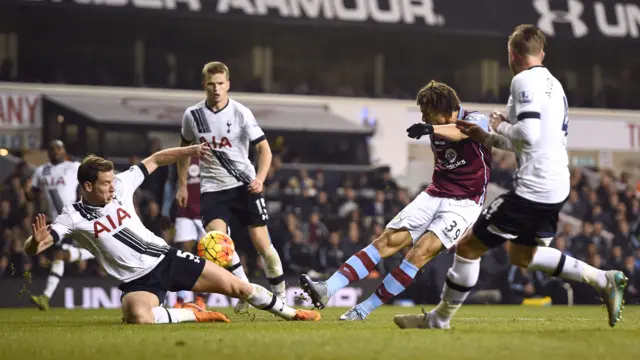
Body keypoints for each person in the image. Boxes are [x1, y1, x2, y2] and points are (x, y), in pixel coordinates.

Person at [394, 24, 627, 330]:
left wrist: (500, 126)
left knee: (467, 247)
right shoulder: (553, 85)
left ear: (512, 55)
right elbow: (523, 140)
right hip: (556, 184)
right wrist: (484, 135)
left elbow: (527, 135)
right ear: (541, 53)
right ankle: (603, 278)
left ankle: (439, 319)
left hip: (534, 186)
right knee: (523, 255)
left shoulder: (523, 81)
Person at [24, 143, 320, 324]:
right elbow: (40, 245)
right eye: (105, 183)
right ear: (88, 186)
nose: (112, 187)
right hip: (134, 280)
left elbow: (155, 159)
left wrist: (189, 152)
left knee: (239, 288)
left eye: (112, 180)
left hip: (166, 258)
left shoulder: (123, 185)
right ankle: (192, 313)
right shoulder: (73, 216)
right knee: (138, 317)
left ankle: (292, 313)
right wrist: (33, 243)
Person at [300, 80, 492, 320]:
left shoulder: (476, 119)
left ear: (443, 110)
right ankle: (327, 289)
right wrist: (431, 128)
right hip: (434, 194)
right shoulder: (434, 125)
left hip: (464, 203)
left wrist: (431, 130)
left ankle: (363, 309)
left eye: (427, 113)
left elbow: (462, 132)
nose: (423, 117)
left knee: (419, 252)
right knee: (388, 241)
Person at [177, 61, 285, 314]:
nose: (216, 89)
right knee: (219, 243)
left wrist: (260, 178)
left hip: (244, 184)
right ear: (204, 85)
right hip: (212, 189)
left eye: (220, 84)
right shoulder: (192, 116)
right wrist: (182, 185)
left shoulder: (240, 113)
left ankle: (280, 293)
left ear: (228, 85)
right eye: (211, 84)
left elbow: (264, 149)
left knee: (262, 243)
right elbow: (183, 151)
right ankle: (247, 291)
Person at [28, 140, 95, 310]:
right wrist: (27, 191)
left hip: (73, 216)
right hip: (54, 220)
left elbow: (89, 182)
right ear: (48, 152)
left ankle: (94, 253)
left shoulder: (73, 166)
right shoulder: (40, 171)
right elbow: (33, 195)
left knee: (58, 256)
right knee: (58, 257)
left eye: (59, 148)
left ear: (64, 150)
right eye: (52, 148)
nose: (56, 150)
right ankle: (45, 297)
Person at [171, 157, 208, 309]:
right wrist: (167, 209)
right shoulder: (182, 157)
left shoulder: (211, 154)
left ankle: (201, 297)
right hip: (184, 210)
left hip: (206, 210)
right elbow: (170, 184)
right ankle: (181, 298)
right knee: (184, 253)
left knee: (205, 255)